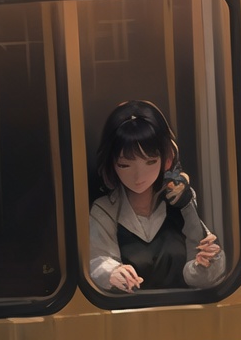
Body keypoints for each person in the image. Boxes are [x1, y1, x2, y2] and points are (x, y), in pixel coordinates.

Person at [89, 100, 226, 294]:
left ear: (167, 158)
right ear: (112, 164)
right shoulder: (103, 210)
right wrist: (111, 272)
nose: (138, 177)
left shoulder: (181, 201)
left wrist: (206, 264)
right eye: (125, 165)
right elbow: (97, 260)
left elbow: (196, 272)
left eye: (150, 162)